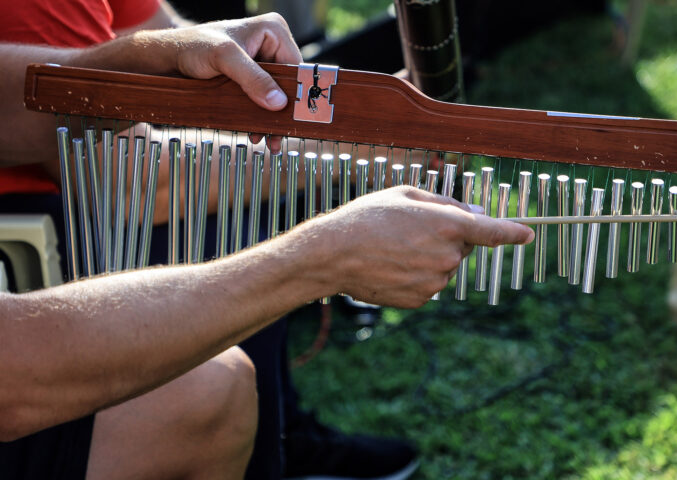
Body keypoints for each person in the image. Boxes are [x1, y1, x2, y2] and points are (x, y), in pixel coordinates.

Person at [0, 2, 536, 479]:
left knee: (222, 368)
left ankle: (278, 431)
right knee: (221, 283)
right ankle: (278, 441)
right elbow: (130, 185)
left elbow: (45, 89)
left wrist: (164, 53)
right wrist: (321, 250)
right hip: (48, 231)